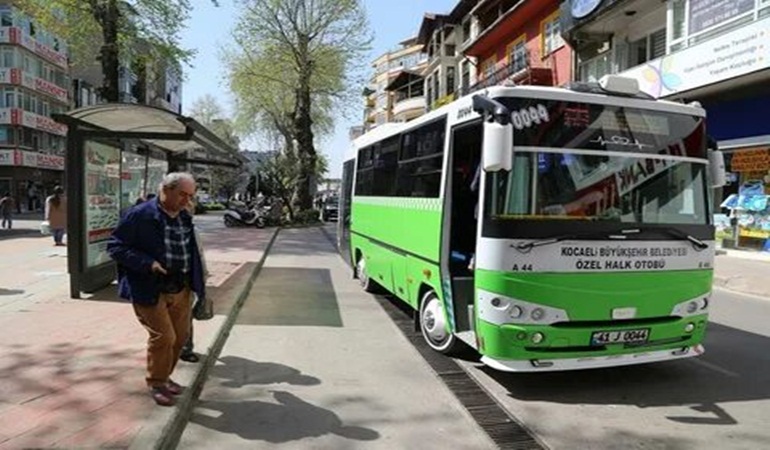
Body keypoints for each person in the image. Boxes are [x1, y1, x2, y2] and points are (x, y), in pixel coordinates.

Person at [107, 172, 207, 407]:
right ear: (165, 189)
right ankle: (157, 383)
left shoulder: (184, 216)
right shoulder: (139, 215)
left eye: (190, 195)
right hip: (149, 286)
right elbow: (115, 246)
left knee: (180, 338)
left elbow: (191, 249)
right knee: (164, 336)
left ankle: (165, 376)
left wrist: (198, 281)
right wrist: (148, 263)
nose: (187, 200)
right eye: (182, 194)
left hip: (180, 286)